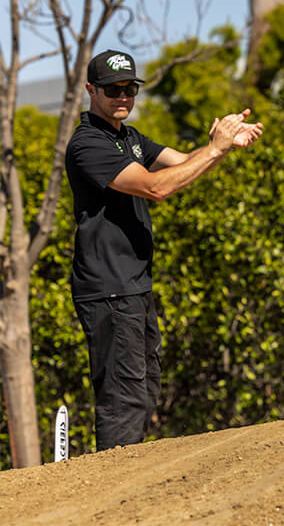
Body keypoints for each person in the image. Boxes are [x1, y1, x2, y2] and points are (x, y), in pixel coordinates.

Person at [65, 49, 264, 452]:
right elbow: (157, 188)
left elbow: (184, 165)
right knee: (125, 398)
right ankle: (110, 488)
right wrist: (215, 150)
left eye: (130, 88)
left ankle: (122, 481)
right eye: (112, 89)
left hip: (135, 286)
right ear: (90, 90)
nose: (123, 96)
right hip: (109, 289)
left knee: (145, 388)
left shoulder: (130, 138)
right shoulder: (88, 144)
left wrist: (220, 147)